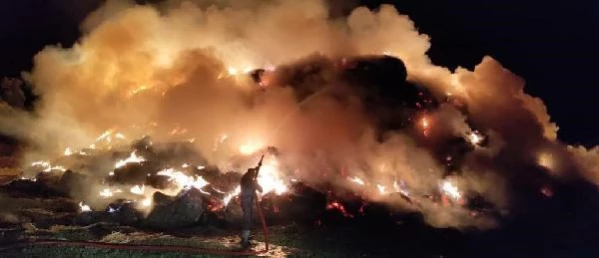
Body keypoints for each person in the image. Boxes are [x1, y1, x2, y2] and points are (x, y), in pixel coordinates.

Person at [240, 156, 263, 248]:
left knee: (248, 219)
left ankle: (247, 236)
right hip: (247, 202)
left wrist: (258, 167)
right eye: (253, 174)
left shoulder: (244, 178)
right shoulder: (251, 181)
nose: (254, 175)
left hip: (245, 201)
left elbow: (252, 171)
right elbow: (261, 189)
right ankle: (245, 240)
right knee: (247, 220)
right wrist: (256, 182)